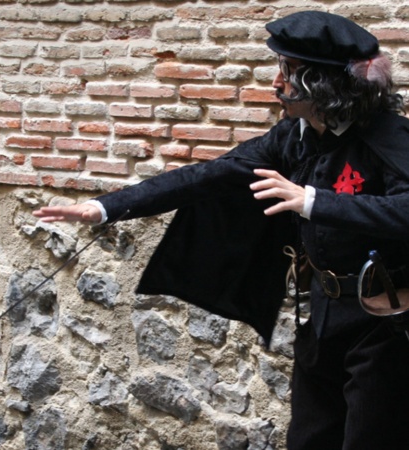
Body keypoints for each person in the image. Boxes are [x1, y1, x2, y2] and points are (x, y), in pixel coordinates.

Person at [34, 11, 409, 450]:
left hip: (384, 323)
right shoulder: (295, 137)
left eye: (288, 71)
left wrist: (313, 201)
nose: (276, 83)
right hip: (321, 316)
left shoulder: (390, 137)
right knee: (308, 439)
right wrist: (103, 208)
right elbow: (211, 175)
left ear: (320, 82)